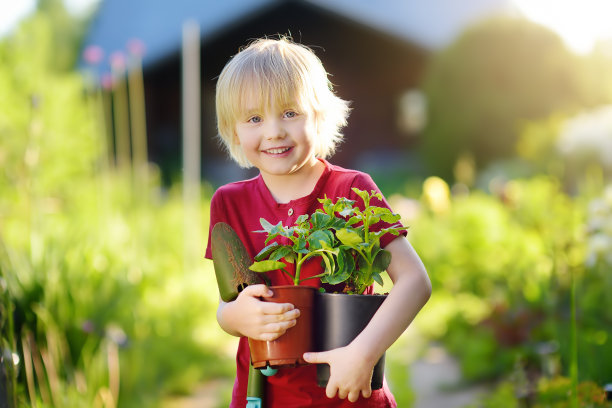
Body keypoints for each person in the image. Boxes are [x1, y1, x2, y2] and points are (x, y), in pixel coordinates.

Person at [205, 36, 431, 407]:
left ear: (320, 115)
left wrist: (363, 354)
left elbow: (415, 281)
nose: (274, 131)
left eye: (290, 113)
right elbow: (227, 304)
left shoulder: (353, 189)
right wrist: (233, 316)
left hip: (348, 392)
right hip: (264, 396)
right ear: (233, 130)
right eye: (254, 118)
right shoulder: (228, 203)